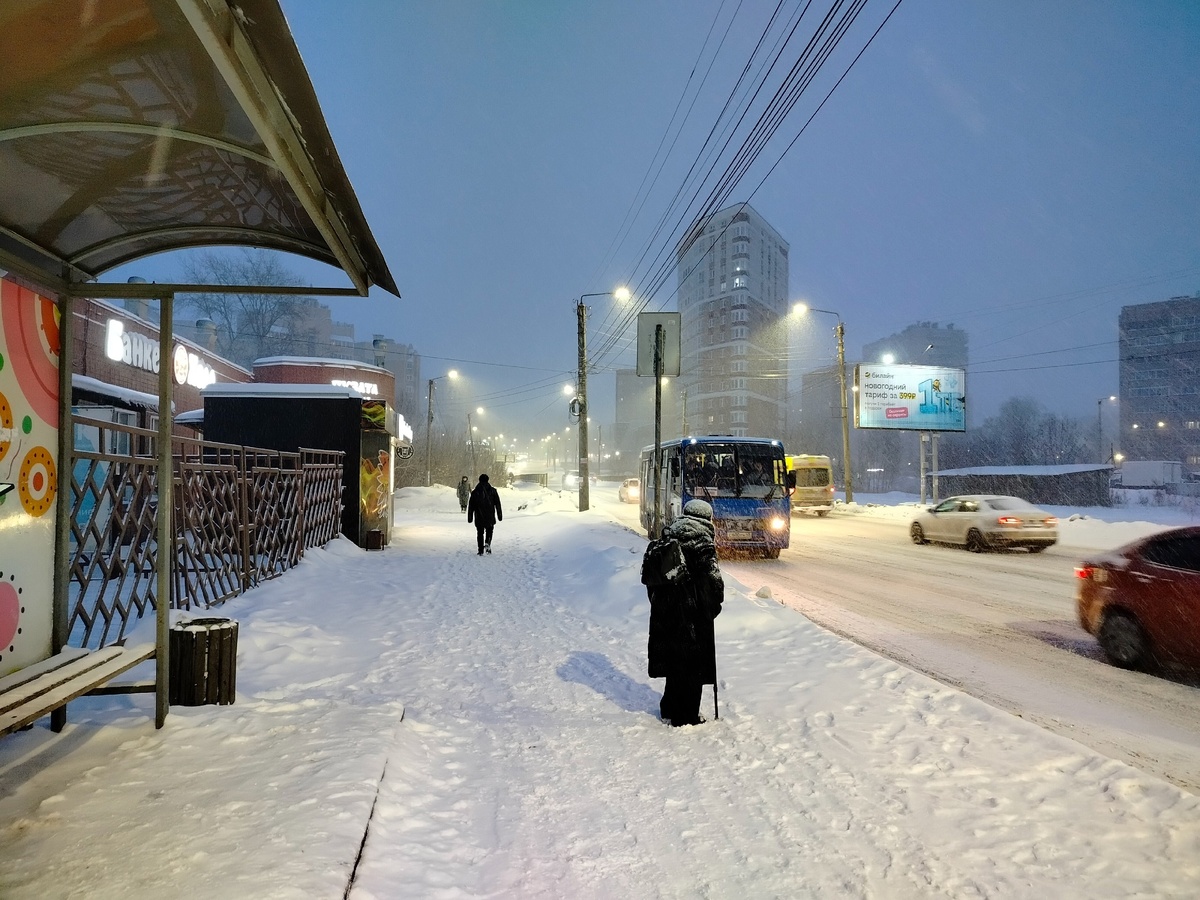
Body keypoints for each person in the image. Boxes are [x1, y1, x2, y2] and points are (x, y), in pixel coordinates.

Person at [641, 499, 724, 726]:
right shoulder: (703, 545)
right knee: (692, 668)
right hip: (691, 618)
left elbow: (653, 583)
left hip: (665, 615)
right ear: (707, 519)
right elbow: (714, 585)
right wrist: (708, 609)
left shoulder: (667, 538)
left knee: (674, 663)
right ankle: (685, 717)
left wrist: (666, 606)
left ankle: (668, 707)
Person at [467, 472, 503, 555]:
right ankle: (488, 543)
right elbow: (497, 504)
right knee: (489, 530)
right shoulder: (493, 491)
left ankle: (480, 550)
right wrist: (499, 515)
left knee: (480, 533)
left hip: (479, 515)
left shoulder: (475, 492)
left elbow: (471, 506)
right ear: (488, 480)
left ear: (479, 481)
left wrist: (470, 517)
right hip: (490, 515)